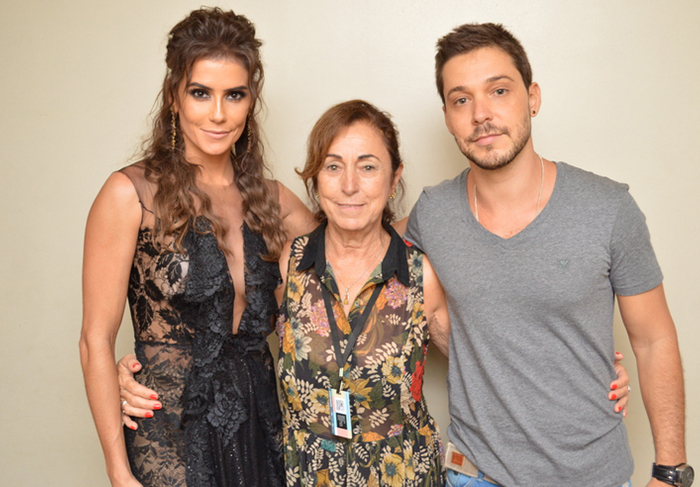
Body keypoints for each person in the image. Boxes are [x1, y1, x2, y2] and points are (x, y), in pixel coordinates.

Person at [404, 23, 690, 487]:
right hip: (475, 474)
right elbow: (356, 238)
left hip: (592, 476)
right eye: (461, 100)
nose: (481, 114)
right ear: (447, 117)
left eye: (499, 90)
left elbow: (654, 340)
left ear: (533, 98)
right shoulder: (433, 213)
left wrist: (671, 472)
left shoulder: (608, 208)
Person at [79, 7, 315, 487]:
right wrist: (118, 473)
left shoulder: (274, 202)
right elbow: (94, 340)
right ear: (174, 96)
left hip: (259, 431)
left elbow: (355, 250)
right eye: (201, 93)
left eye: (235, 95)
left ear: (251, 100)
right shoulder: (131, 195)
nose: (218, 114)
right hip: (169, 440)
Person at [276, 100, 449, 486]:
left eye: (368, 167)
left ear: (394, 178)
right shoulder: (291, 263)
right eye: (333, 166)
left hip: (403, 475)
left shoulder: (421, 275)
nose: (349, 185)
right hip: (309, 475)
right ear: (315, 177)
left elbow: (481, 366)